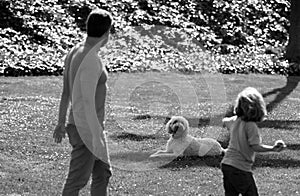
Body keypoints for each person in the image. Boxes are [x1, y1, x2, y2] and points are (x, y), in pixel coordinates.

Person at [53, 8, 113, 196]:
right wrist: (95, 135)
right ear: (106, 32)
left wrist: (61, 122)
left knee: (103, 173)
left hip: (87, 126)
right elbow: (87, 101)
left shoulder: (75, 51)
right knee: (76, 181)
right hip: (86, 129)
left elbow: (66, 92)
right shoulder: (91, 60)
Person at [221, 87, 286, 196]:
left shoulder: (235, 120)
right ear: (258, 108)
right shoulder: (251, 126)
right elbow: (255, 146)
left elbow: (224, 121)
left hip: (226, 165)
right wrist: (273, 148)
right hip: (240, 168)